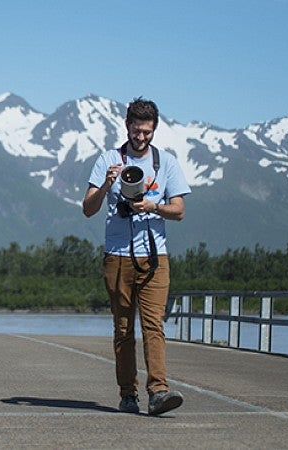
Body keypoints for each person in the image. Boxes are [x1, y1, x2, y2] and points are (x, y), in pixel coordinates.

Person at [82, 98, 191, 416]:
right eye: (136, 129)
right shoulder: (107, 159)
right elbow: (88, 209)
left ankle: (159, 391)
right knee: (124, 329)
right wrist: (106, 185)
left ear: (154, 129)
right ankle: (127, 393)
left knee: (154, 325)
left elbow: (180, 211)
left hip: (156, 257)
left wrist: (153, 206)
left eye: (147, 131)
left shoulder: (166, 163)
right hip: (117, 258)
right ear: (126, 125)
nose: (141, 136)